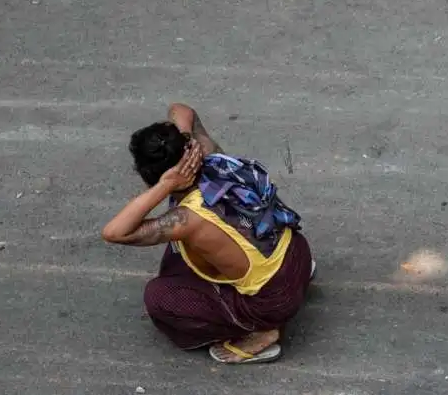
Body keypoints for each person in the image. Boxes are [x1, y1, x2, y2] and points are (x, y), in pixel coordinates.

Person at [101, 103, 315, 364]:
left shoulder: (188, 219)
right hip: (298, 254)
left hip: (275, 301)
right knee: (179, 253)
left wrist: (165, 186)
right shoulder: (211, 155)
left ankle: (261, 332)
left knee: (158, 297)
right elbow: (181, 109)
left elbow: (114, 232)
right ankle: (293, 281)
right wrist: (187, 138)